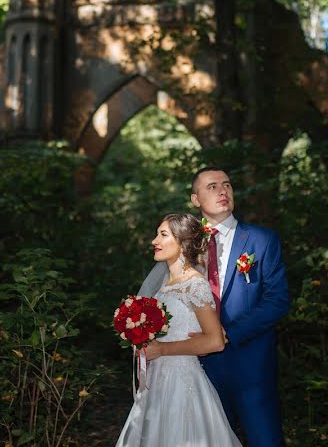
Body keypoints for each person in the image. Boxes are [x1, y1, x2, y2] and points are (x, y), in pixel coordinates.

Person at [138, 166, 289, 447]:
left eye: (227, 184)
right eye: (212, 186)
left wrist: (228, 333)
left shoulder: (262, 240)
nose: (223, 191)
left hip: (251, 367)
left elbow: (277, 301)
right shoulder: (182, 244)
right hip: (197, 369)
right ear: (195, 199)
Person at [116, 214, 242, 447]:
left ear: (184, 242)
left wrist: (162, 349)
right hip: (156, 381)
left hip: (182, 383)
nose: (154, 241)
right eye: (157, 234)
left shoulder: (195, 284)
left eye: (163, 235)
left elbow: (215, 341)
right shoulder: (164, 286)